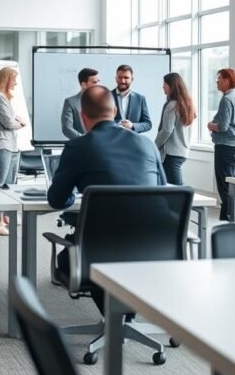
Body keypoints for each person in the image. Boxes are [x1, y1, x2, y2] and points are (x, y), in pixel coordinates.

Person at [48, 85, 166, 315]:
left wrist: (76, 194)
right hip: (152, 253)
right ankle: (123, 318)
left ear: (83, 117)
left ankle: (117, 320)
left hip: (96, 256)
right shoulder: (147, 144)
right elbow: (162, 192)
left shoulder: (77, 147)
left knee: (71, 257)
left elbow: (57, 199)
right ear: (114, 112)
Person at [0, 66, 27, 236]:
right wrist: (21, 123)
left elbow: (12, 120)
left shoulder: (5, 99)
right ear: (6, 79)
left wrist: (17, 120)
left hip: (11, 146)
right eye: (14, 79)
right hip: (0, 146)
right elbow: (10, 123)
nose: (16, 83)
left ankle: (5, 217)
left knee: (9, 185)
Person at [208, 68, 235, 221]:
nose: (217, 81)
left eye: (219, 78)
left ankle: (228, 217)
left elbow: (223, 126)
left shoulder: (227, 99)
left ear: (227, 80)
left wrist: (210, 125)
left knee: (224, 184)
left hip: (225, 146)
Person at [155, 73, 196, 185]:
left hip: (171, 153)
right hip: (182, 151)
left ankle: (189, 203)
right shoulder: (186, 103)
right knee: (172, 186)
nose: (163, 87)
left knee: (176, 188)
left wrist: (155, 144)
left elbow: (167, 130)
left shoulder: (172, 105)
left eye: (165, 84)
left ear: (171, 86)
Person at [61, 67, 100, 139]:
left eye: (98, 81)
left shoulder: (101, 102)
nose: (98, 85)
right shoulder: (71, 102)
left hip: (100, 147)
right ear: (83, 85)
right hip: (81, 147)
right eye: (94, 82)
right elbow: (67, 128)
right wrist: (84, 139)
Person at [112, 64, 152, 133]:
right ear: (116, 78)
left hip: (133, 142)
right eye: (120, 77)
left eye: (126, 77)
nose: (123, 81)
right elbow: (100, 121)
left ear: (132, 79)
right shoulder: (106, 97)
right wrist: (116, 124)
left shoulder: (140, 99)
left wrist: (133, 125)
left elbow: (148, 124)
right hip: (112, 141)